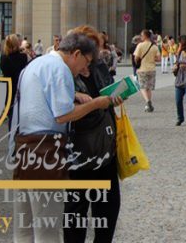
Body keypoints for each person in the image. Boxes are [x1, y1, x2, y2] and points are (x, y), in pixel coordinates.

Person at [11, 29, 123, 243]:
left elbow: (38, 99)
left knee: (24, 227)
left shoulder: (36, 64)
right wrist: (96, 103)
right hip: (45, 150)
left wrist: (72, 94)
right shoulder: (59, 68)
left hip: (24, 147)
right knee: (47, 228)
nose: (85, 68)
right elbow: (63, 115)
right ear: (76, 54)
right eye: (86, 62)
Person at [64, 27, 122, 243]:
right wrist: (87, 99)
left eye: (96, 48)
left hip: (104, 143)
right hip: (78, 147)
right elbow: (63, 110)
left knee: (109, 206)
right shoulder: (66, 72)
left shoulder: (98, 67)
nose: (94, 55)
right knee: (76, 208)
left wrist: (116, 96)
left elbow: (107, 91)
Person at [130, 30, 159, 113]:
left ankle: (147, 101)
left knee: (142, 87)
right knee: (149, 88)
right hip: (152, 69)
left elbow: (136, 57)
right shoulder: (154, 46)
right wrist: (152, 59)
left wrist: (137, 63)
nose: (141, 36)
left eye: (141, 35)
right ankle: (148, 105)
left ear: (145, 36)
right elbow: (159, 58)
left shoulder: (140, 45)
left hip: (142, 69)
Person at [0, 33, 30, 109]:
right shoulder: (23, 57)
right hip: (20, 86)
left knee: (10, 111)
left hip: (8, 87)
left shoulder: (3, 57)